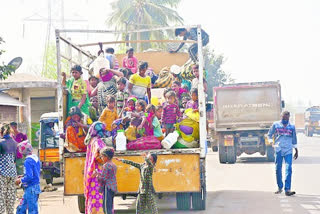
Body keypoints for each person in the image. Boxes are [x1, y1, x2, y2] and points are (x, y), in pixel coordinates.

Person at [268, 111, 298, 196]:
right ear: (281, 116)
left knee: (289, 169)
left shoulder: (292, 127)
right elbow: (269, 135)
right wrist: (271, 143)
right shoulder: (276, 125)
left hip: (288, 150)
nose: (285, 119)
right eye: (283, 118)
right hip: (279, 149)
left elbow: (294, 139)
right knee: (278, 169)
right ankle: (280, 187)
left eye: (286, 118)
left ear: (289, 118)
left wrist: (296, 150)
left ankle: (287, 189)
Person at [84, 122, 110, 214]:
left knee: (93, 197)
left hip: (93, 173)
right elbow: (98, 155)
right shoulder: (97, 141)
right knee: (100, 198)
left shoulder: (91, 140)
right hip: (98, 173)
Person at [15, 143, 41, 214]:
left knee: (32, 210)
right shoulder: (35, 159)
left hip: (31, 188)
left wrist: (20, 180)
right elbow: (34, 173)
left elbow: (29, 176)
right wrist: (23, 176)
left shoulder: (27, 161)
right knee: (21, 208)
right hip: (35, 187)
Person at [93, 147, 117, 214]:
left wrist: (97, 175)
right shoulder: (113, 165)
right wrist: (99, 173)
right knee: (110, 206)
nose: (101, 158)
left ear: (106, 157)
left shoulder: (106, 165)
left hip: (107, 188)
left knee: (106, 208)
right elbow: (108, 176)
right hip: (113, 187)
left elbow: (103, 179)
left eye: (102, 156)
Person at [0, 124, 17, 214]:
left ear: (1, 132)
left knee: (1, 195)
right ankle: (10, 212)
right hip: (12, 172)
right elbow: (15, 159)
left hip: (2, 172)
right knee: (10, 195)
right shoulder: (14, 143)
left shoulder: (1, 142)